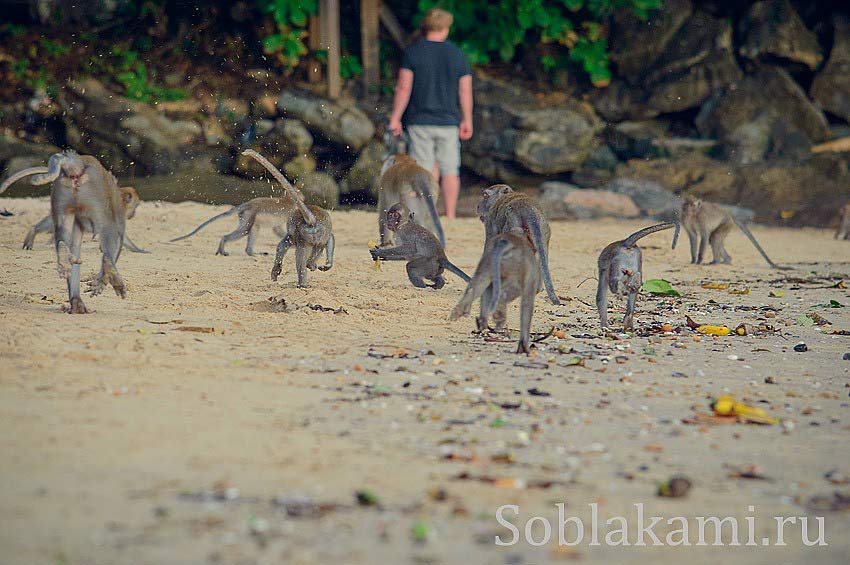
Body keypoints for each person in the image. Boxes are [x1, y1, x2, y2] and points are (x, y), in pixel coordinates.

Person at [388, 8, 473, 219]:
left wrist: (395, 117)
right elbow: (465, 90)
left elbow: (403, 88)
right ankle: (451, 215)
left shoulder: (413, 52)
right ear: (446, 27)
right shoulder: (458, 54)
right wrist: (467, 119)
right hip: (449, 121)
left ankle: (428, 212)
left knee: (425, 169)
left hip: (420, 121)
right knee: (450, 170)